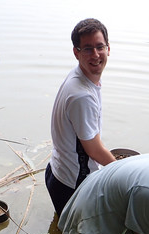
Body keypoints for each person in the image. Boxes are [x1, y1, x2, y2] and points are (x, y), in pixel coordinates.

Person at [46, 18, 117, 216]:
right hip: (73, 186)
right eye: (87, 49)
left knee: (65, 228)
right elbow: (94, 150)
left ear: (108, 48)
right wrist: (123, 172)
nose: (95, 55)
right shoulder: (82, 95)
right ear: (76, 52)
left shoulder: (80, 77)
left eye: (99, 47)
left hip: (57, 171)